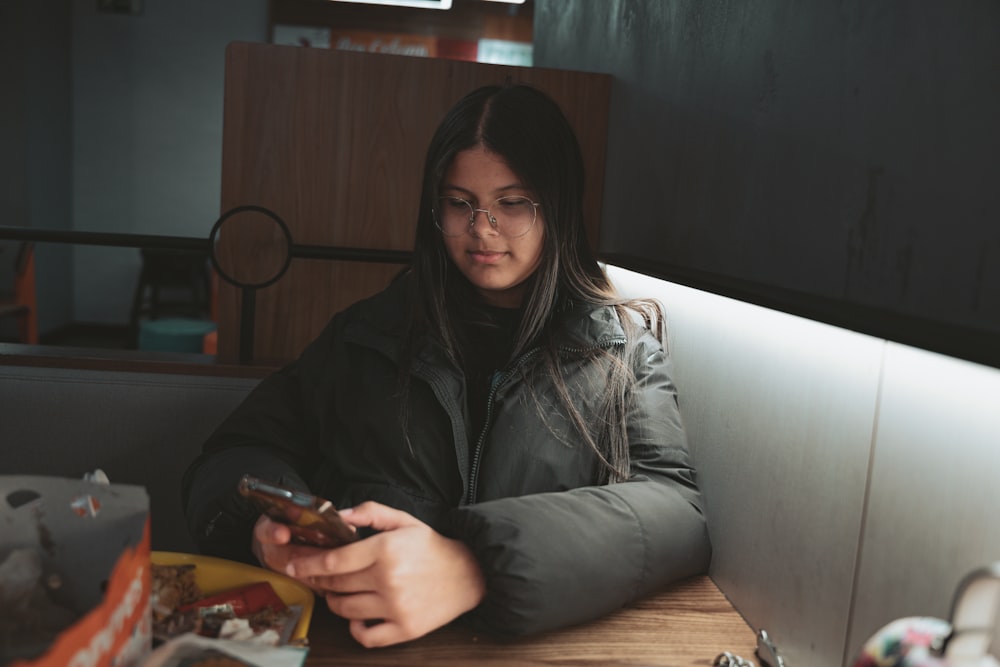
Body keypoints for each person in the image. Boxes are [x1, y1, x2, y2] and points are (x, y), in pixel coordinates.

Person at [181, 83, 711, 648]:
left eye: (512, 203)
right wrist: (267, 526)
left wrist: (476, 566)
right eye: (459, 202)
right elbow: (233, 453)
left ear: (556, 206)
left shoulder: (621, 350)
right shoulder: (365, 334)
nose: (481, 228)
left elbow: (677, 515)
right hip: (360, 648)